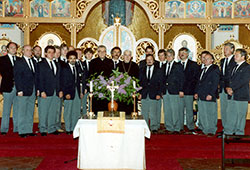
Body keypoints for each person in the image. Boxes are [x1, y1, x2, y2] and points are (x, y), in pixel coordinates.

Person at [37, 46, 63, 136]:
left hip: (56, 91)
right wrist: (42, 91)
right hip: (45, 91)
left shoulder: (57, 64)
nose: (51, 54)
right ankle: (43, 129)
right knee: (43, 111)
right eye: (49, 52)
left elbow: (59, 79)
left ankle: (51, 128)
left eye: (53, 52)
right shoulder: (40, 64)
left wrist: (60, 90)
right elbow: (39, 79)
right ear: (45, 54)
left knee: (53, 111)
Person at [224, 49, 250, 135]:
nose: (234, 57)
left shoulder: (247, 67)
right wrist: (227, 88)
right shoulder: (234, 66)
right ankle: (229, 131)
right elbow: (229, 79)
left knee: (240, 115)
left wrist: (232, 88)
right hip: (231, 94)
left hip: (241, 95)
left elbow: (244, 80)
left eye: (236, 55)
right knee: (231, 114)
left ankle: (239, 133)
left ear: (243, 57)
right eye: (235, 55)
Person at [14, 45, 37, 138]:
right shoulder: (19, 62)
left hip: (32, 89)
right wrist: (19, 89)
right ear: (23, 51)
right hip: (22, 90)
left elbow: (36, 77)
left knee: (30, 111)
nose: (29, 52)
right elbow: (17, 77)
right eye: (27, 50)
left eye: (30, 50)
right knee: (22, 111)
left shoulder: (34, 62)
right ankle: (22, 130)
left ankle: (29, 129)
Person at [194, 52, 220, 136]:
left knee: (210, 113)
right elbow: (199, 82)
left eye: (207, 58)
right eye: (204, 59)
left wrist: (211, 94)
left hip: (209, 95)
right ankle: (205, 129)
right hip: (201, 95)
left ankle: (211, 130)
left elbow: (215, 83)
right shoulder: (203, 69)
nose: (205, 60)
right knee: (203, 113)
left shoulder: (214, 69)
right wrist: (196, 92)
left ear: (212, 60)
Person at [61, 51, 86, 134]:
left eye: (74, 58)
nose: (73, 60)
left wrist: (81, 92)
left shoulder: (77, 67)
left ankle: (74, 128)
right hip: (68, 92)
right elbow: (63, 82)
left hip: (77, 92)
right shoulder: (64, 68)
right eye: (71, 58)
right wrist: (66, 93)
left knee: (76, 111)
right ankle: (68, 128)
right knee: (68, 111)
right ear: (68, 59)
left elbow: (79, 81)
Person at [139, 54, 163, 133]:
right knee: (144, 112)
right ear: (145, 60)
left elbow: (161, 83)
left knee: (153, 112)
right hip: (144, 94)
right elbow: (139, 82)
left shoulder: (158, 70)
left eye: (151, 59)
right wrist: (139, 93)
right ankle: (145, 127)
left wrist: (159, 93)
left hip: (154, 94)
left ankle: (154, 127)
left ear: (153, 60)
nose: (149, 61)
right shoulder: (142, 69)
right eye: (148, 59)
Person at [162, 49, 185, 134]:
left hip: (175, 91)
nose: (168, 57)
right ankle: (169, 127)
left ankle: (177, 128)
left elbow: (182, 79)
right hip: (165, 91)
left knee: (175, 110)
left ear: (173, 56)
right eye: (167, 56)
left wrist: (181, 90)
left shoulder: (178, 66)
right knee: (167, 110)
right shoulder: (163, 66)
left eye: (170, 56)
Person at [178, 47, 200, 133]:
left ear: (187, 54)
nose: (182, 54)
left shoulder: (194, 65)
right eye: (180, 53)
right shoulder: (176, 65)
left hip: (189, 91)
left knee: (189, 110)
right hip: (179, 92)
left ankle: (190, 126)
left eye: (183, 52)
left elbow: (194, 79)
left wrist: (194, 91)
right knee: (179, 110)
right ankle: (180, 126)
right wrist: (180, 90)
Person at [0, 42, 19, 135]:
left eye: (15, 48)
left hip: (18, 88)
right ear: (7, 49)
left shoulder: (19, 60)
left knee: (17, 109)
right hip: (7, 87)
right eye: (11, 48)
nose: (13, 49)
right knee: (6, 110)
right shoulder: (2, 59)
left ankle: (16, 128)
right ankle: (4, 129)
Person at [89, 45, 113, 113]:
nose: (102, 53)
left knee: (106, 108)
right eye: (100, 51)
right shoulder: (93, 62)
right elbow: (91, 76)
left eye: (103, 51)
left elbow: (112, 75)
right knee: (96, 108)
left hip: (107, 89)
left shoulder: (110, 62)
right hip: (96, 89)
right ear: (97, 53)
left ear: (106, 52)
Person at [219, 43, 236, 132]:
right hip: (222, 88)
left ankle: (231, 129)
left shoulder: (235, 60)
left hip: (230, 89)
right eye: (224, 49)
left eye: (226, 49)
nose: (224, 51)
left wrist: (230, 87)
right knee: (223, 109)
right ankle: (225, 128)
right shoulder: (223, 61)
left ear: (232, 50)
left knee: (230, 110)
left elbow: (234, 76)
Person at [118, 50, 139, 115]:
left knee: (132, 110)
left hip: (132, 91)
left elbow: (138, 79)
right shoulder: (118, 65)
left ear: (131, 57)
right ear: (123, 56)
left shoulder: (135, 66)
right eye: (125, 55)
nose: (127, 57)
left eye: (129, 55)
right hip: (121, 92)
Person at [155, 49, 166, 130]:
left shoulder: (168, 64)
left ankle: (166, 123)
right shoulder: (155, 65)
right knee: (157, 108)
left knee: (166, 108)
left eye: (162, 55)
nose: (161, 57)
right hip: (157, 90)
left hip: (166, 90)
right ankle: (158, 123)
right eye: (159, 55)